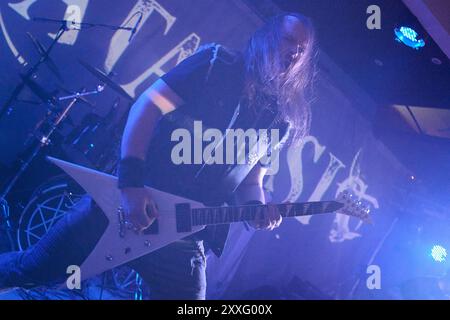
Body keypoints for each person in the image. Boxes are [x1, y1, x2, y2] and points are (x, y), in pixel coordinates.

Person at [0, 12, 316, 300]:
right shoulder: (214, 64)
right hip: (129, 205)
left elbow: (251, 180)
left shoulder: (278, 119)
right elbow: (147, 107)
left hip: (183, 237)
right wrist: (131, 186)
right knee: (32, 268)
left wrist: (257, 208)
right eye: (290, 40)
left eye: (302, 50)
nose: (295, 52)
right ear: (265, 36)